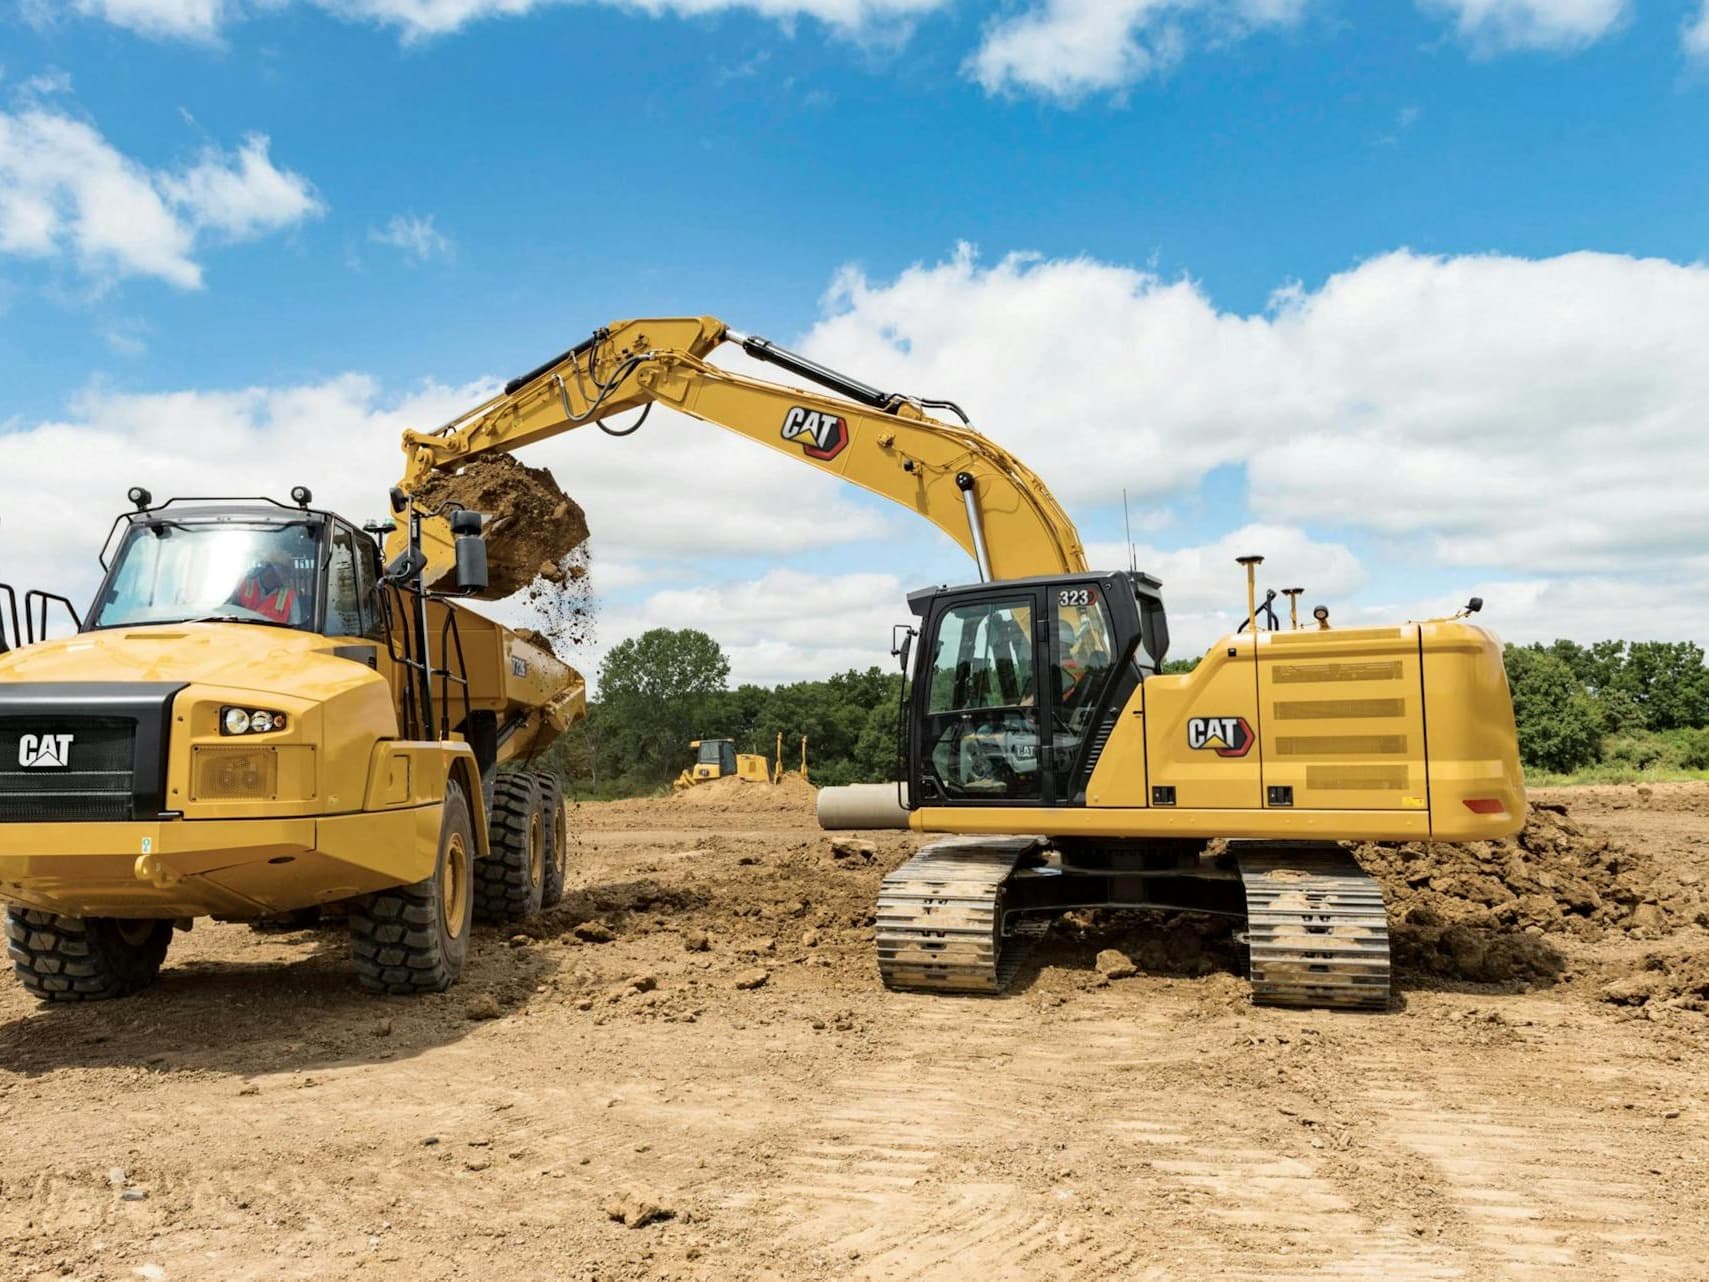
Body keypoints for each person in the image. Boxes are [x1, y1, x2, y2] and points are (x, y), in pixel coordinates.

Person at [233, 552, 302, 624]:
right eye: (284, 571)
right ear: (269, 569)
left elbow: (295, 627)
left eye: (288, 572)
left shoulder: (290, 597)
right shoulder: (242, 584)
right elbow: (227, 610)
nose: (287, 576)